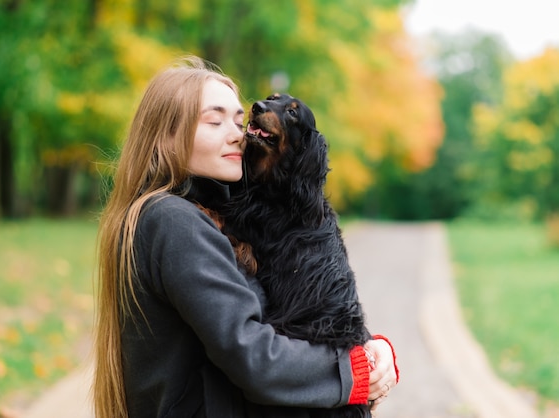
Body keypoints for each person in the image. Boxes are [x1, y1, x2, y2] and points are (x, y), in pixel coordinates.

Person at [93, 56, 399, 418]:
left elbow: (288, 308)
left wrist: (364, 346)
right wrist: (353, 371)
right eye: (215, 120)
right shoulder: (173, 221)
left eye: (239, 121)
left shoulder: (209, 216)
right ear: (167, 134)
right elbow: (250, 353)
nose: (238, 133)